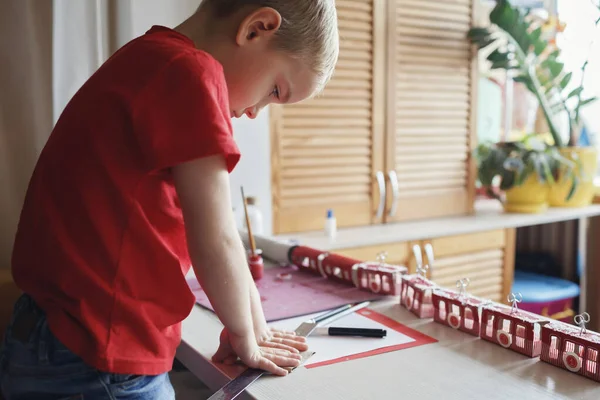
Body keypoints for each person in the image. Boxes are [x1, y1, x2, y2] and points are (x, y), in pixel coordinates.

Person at [0, 0, 339, 398]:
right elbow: (216, 238)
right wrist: (247, 337)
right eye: (275, 90)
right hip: (100, 355)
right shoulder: (192, 73)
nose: (255, 112)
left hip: (45, 335)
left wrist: (252, 326)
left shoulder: (145, 57)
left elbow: (223, 231)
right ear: (257, 28)